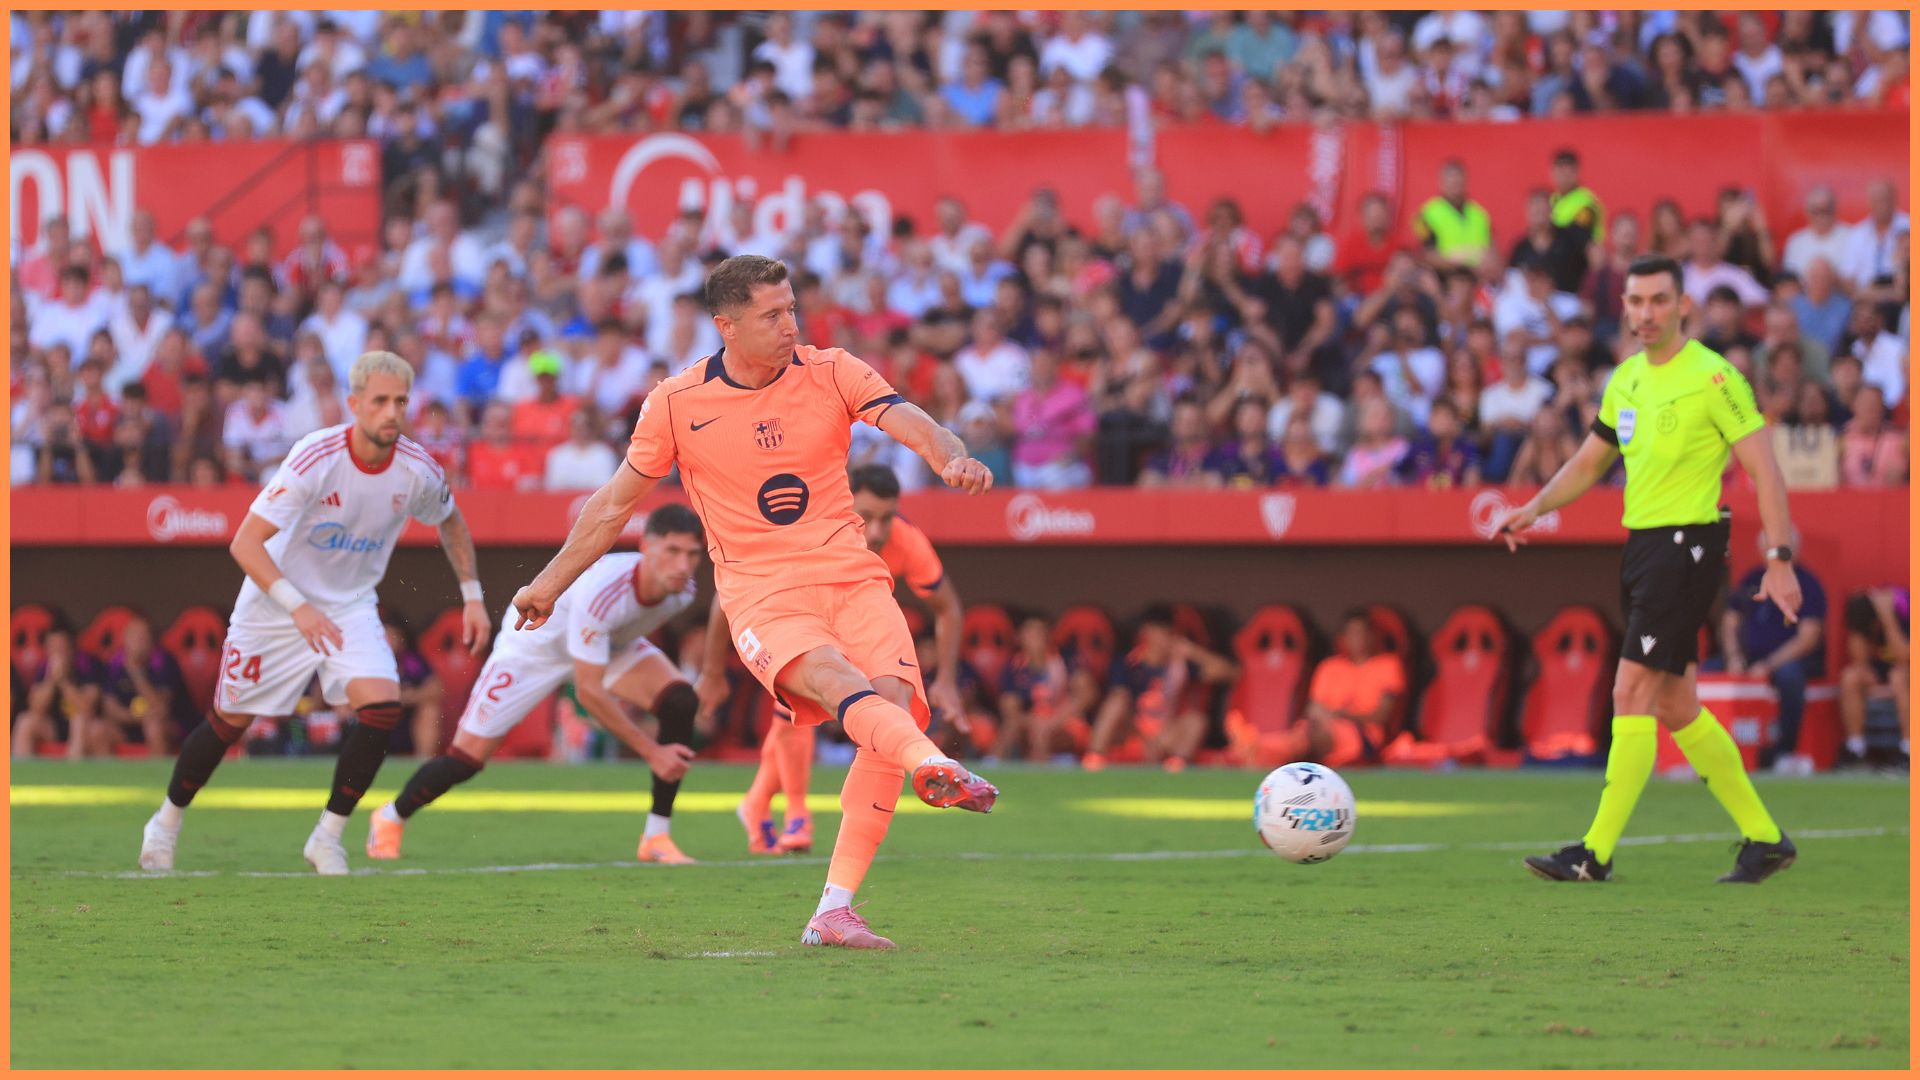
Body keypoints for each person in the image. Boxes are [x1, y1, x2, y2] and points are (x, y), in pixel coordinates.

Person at [510, 255, 998, 950]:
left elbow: (910, 419)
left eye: (792, 308)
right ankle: (932, 766)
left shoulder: (830, 369)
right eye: (772, 315)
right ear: (726, 326)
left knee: (890, 706)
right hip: (763, 594)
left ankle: (834, 909)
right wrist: (549, 582)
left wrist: (949, 455)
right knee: (847, 689)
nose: (790, 325)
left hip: (854, 579)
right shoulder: (676, 403)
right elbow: (614, 505)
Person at [1496, 255, 1801, 885]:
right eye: (1635, 302)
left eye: (1659, 301)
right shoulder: (1626, 379)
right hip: (1642, 549)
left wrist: (1778, 558)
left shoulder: (1715, 379)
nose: (1645, 314)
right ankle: (1765, 839)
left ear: (1682, 305)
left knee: (1629, 692)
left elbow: (1764, 471)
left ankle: (1594, 853)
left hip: (1687, 546)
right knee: (1677, 704)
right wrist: (1534, 507)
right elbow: (1588, 463)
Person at [138, 351, 491, 875]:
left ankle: (327, 837)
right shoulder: (315, 457)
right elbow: (246, 544)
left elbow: (451, 520)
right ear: (354, 405)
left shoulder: (417, 469)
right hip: (275, 601)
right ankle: (164, 823)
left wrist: (473, 594)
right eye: (379, 401)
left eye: (400, 401)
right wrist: (297, 608)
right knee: (228, 722)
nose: (391, 412)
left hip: (349, 604)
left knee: (382, 707)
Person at [370, 506, 705, 863]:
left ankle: (656, 836)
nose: (683, 565)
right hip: (533, 650)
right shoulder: (606, 591)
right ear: (646, 547)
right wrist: (652, 751)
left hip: (603, 647)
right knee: (465, 759)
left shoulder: (682, 591)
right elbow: (589, 693)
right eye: (672, 551)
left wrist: (712, 676)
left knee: (681, 701)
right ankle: (390, 816)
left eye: (692, 554)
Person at [703, 464, 973, 858]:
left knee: (880, 708)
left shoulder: (906, 540)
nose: (877, 532)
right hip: (794, 616)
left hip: (859, 620)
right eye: (866, 518)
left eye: (887, 517)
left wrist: (946, 678)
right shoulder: (807, 528)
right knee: (796, 706)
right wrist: (712, 671)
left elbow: (947, 606)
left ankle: (758, 802)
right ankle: (796, 813)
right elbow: (727, 594)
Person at [1718, 532, 1827, 773]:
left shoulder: (1806, 583)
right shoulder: (1752, 578)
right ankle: (1699, 754)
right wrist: (1734, 656)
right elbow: (1730, 621)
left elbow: (1808, 638)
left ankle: (1785, 753)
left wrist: (1769, 665)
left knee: (1790, 677)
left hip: (1790, 659)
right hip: (1748, 657)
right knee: (1706, 671)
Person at [1083, 606, 1238, 772]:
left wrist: (1193, 652)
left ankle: (1177, 767)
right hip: (1132, 734)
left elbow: (1231, 673)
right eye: (1160, 632)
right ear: (1146, 633)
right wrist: (1145, 740)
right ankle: (1094, 757)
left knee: (1196, 720)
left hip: (1166, 735)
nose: (1165, 639)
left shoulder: (1181, 665)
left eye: (1170, 633)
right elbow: (1119, 701)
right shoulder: (1127, 663)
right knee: (1117, 701)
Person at [1838, 588, 1909, 770]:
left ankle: (1908, 750)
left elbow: (1903, 657)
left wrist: (1887, 618)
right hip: (1881, 679)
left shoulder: (1905, 615)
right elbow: (1859, 660)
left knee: (1898, 677)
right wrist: (1858, 629)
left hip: (1906, 675)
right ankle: (1856, 748)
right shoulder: (1865, 621)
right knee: (1851, 677)